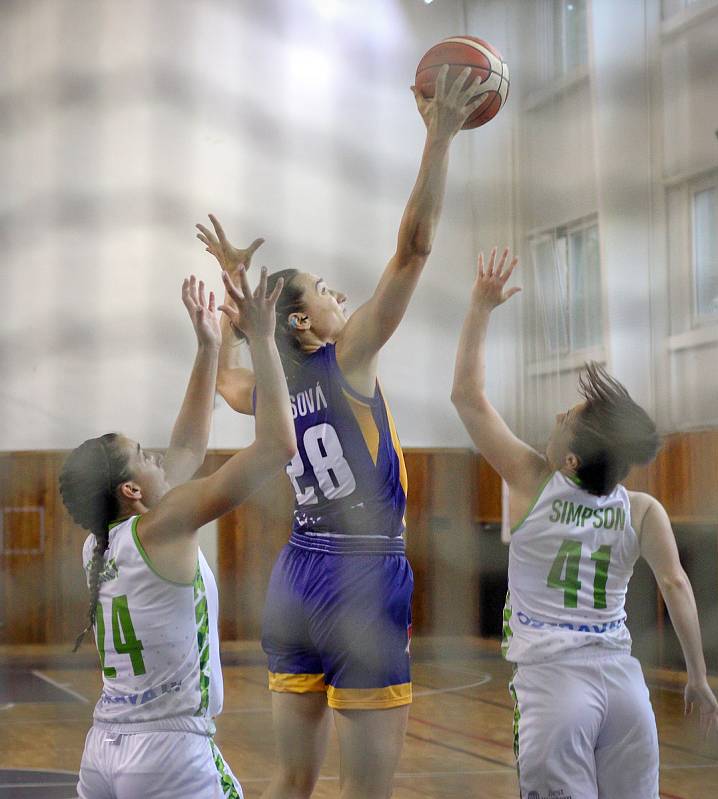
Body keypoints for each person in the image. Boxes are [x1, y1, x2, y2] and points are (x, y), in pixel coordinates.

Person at [195, 65, 485, 799]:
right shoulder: (349, 357)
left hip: (295, 574)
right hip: (361, 575)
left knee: (291, 781)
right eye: (324, 290)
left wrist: (232, 322)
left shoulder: (270, 387)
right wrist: (440, 140)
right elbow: (414, 250)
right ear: (300, 322)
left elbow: (225, 379)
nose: (337, 295)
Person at [450, 247, 718, 799]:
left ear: (571, 461)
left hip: (553, 687)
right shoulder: (643, 510)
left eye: (567, 420)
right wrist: (697, 675)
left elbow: (467, 396)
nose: (557, 417)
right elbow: (676, 584)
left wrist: (480, 308)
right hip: (624, 687)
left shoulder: (534, 481)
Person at [59, 269, 295, 798]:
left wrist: (209, 347)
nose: (158, 457)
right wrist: (259, 337)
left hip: (105, 747)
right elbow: (278, 444)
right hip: (166, 754)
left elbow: (186, 451)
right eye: (143, 456)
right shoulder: (163, 526)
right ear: (131, 491)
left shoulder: (99, 545)